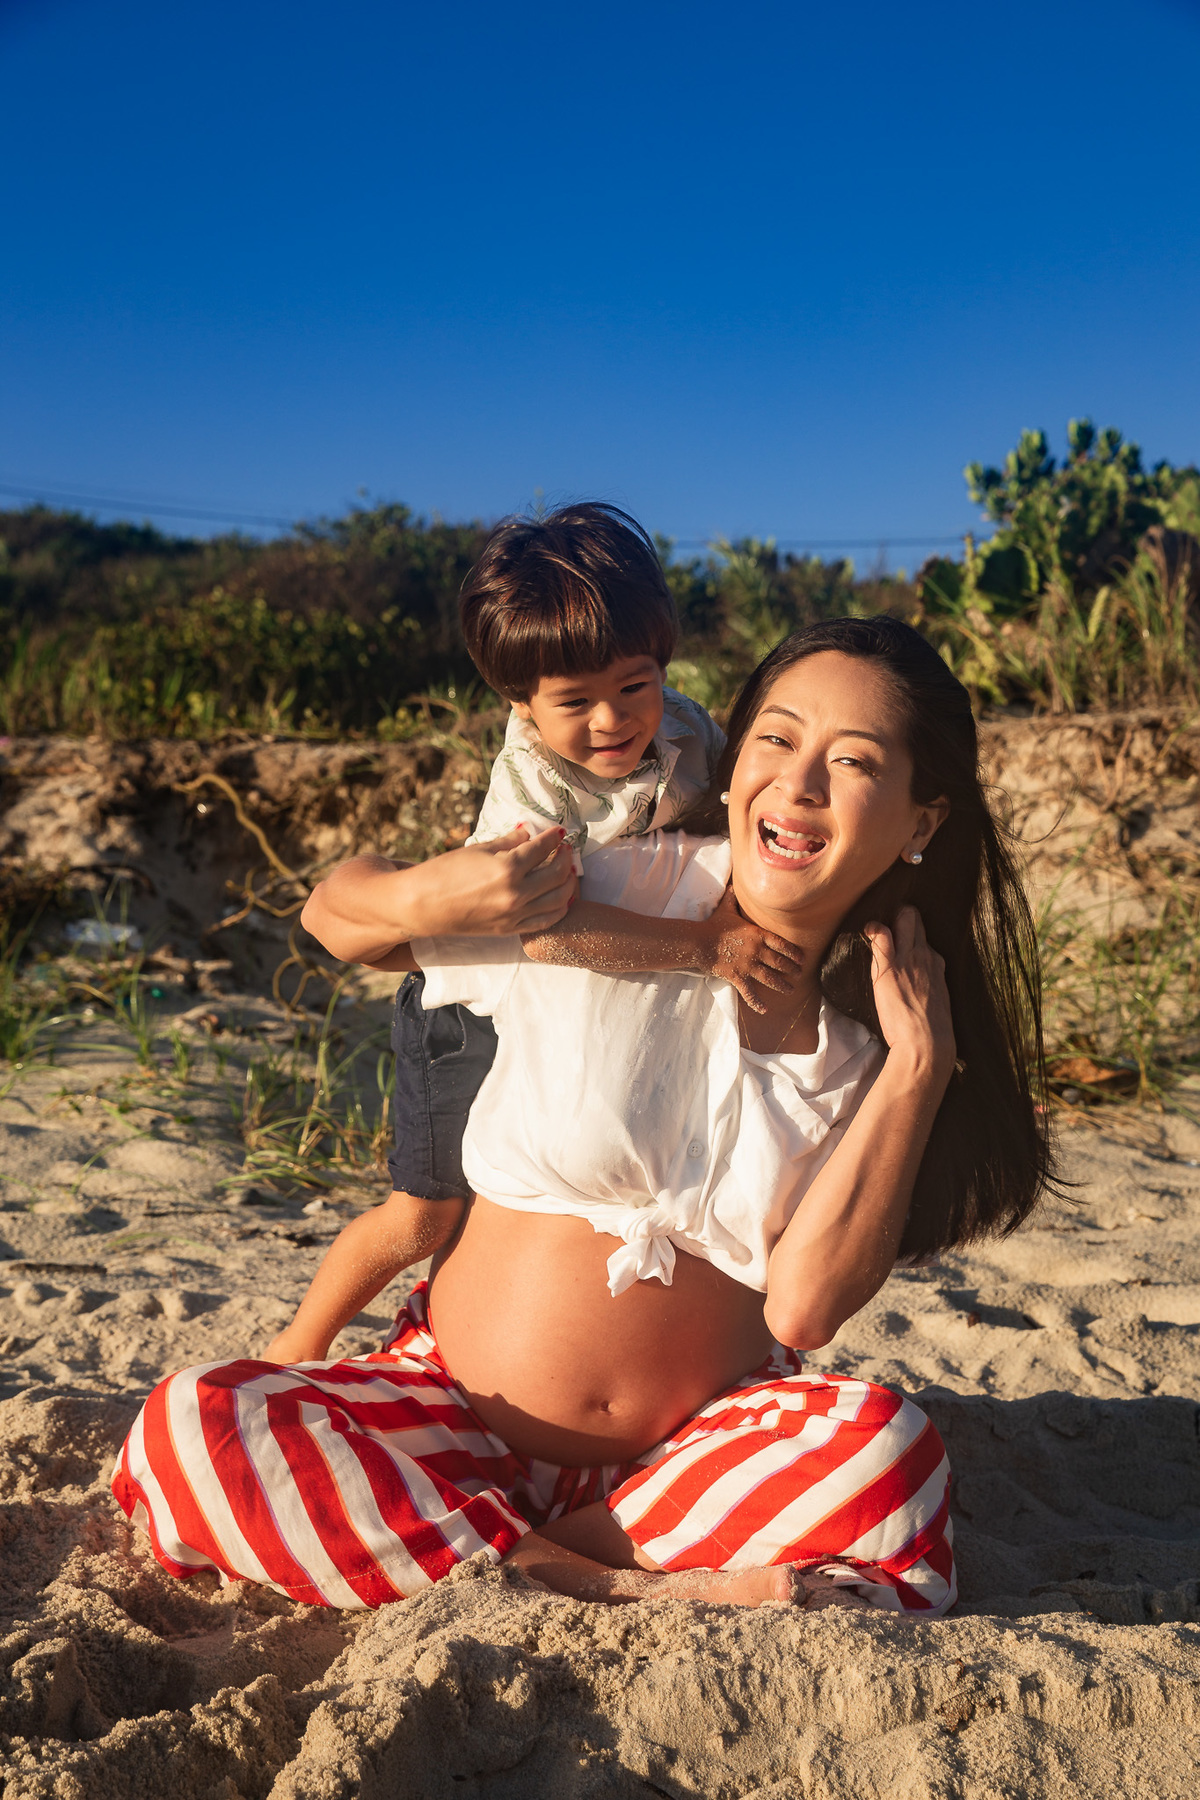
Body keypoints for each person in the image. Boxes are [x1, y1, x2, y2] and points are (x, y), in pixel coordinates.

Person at [113, 617, 1052, 1616]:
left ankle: (513, 1558)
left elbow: (805, 1312)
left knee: (886, 1448)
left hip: (682, 1470)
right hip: (449, 1418)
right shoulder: (616, 891)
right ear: (733, 771)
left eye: (853, 761)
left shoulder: (877, 1041)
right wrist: (452, 882)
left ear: (920, 823)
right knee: (194, 1426)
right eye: (776, 740)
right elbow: (342, 921)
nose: (800, 783)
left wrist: (919, 1069)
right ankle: (612, 1588)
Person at [263, 501, 805, 1366]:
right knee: (427, 1213)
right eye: (574, 701)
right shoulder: (532, 791)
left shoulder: (684, 727)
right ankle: (302, 1339)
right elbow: (546, 937)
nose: (612, 720)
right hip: (471, 1006)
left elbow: (726, 807)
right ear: (520, 701)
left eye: (634, 683)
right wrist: (706, 949)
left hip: (581, 1005)